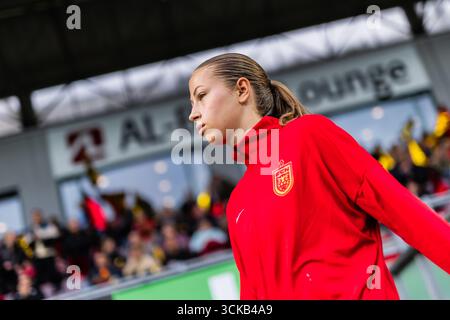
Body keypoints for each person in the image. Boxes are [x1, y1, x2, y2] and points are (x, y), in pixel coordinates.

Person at [188, 53, 450, 299]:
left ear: (242, 90)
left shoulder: (310, 135)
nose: (193, 114)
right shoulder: (237, 203)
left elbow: (402, 210)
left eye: (201, 96)